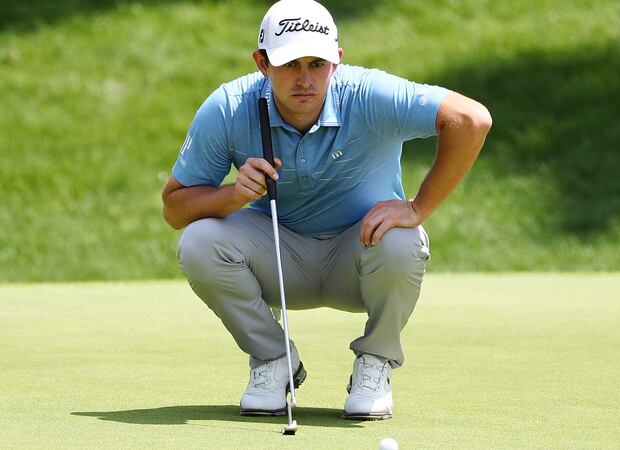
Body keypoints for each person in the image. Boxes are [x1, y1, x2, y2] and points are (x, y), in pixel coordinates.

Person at [161, 0, 491, 420]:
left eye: (317, 63)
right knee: (199, 241)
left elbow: (472, 119)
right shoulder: (229, 106)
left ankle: (375, 363)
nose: (305, 79)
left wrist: (417, 207)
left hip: (359, 260)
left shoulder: (370, 94)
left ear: (338, 58)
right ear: (262, 63)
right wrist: (233, 195)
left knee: (404, 238)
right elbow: (174, 208)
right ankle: (272, 360)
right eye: (289, 64)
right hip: (277, 262)